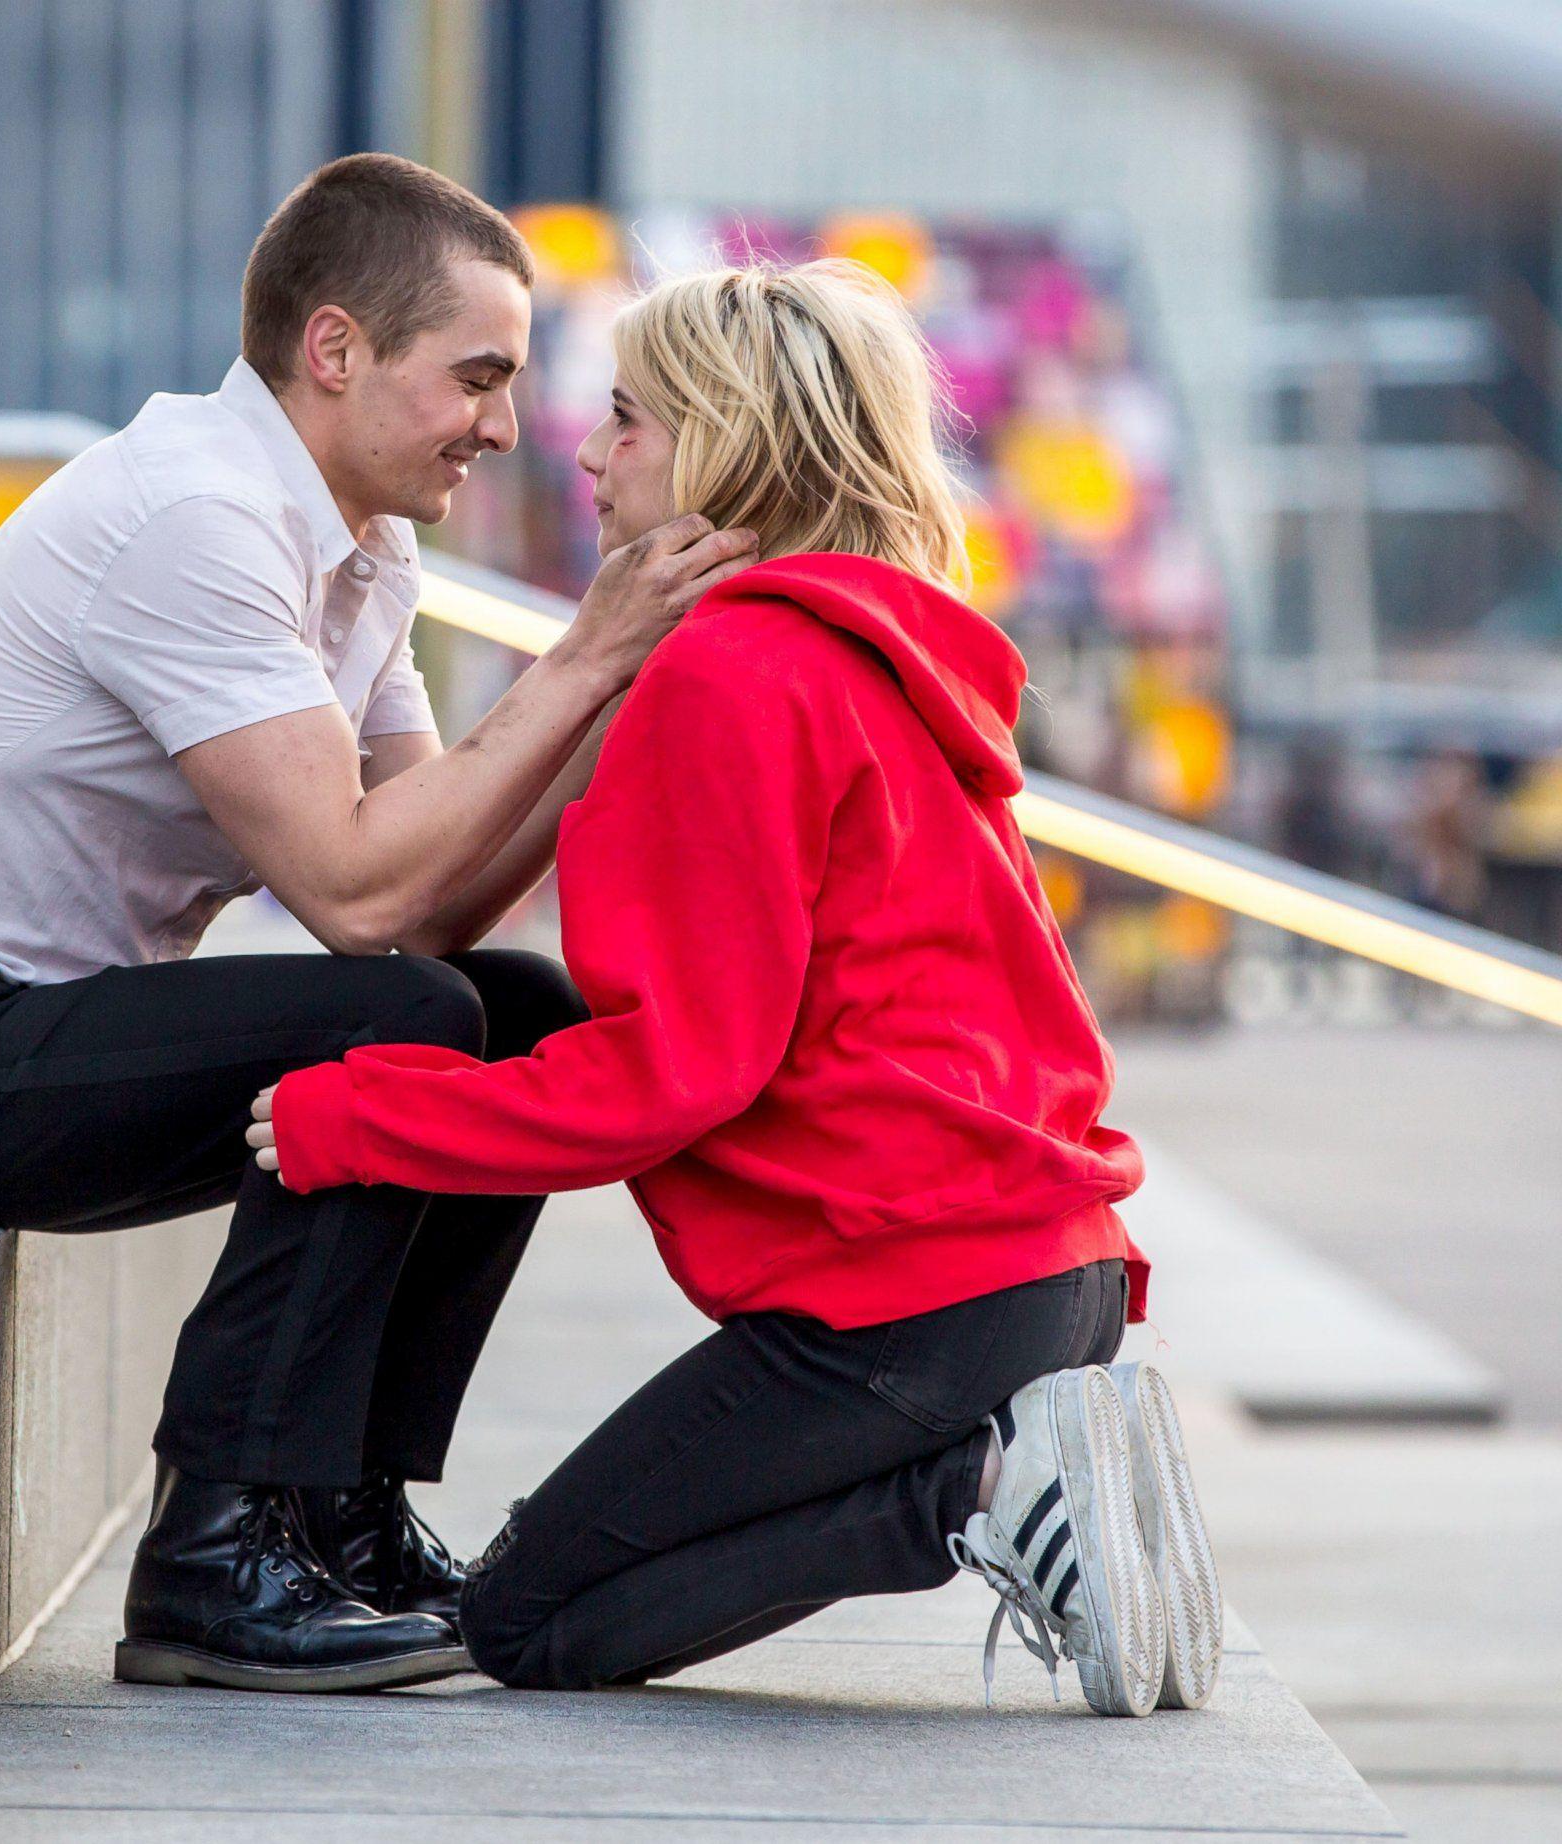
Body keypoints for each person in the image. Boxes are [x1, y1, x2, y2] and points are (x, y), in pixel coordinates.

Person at [0, 153, 758, 1693]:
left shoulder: (360, 551)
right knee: (402, 1032)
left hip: (24, 1046)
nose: (507, 427)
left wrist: (623, 683)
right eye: (477, 377)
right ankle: (214, 1551)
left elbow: (435, 912)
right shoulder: (197, 514)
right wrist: (582, 661)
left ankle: (341, 1523)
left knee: (514, 1017)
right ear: (335, 351)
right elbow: (357, 892)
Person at [249, 258, 1223, 1716]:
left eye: (629, 420)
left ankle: (978, 1489)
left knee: (527, 1622)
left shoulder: (733, 677)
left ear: (730, 446)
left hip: (912, 1303)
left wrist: (363, 1117)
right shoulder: (875, 657)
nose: (585, 450)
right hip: (1047, 1272)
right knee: (562, 1589)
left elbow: (675, 1073)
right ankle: (1034, 1468)